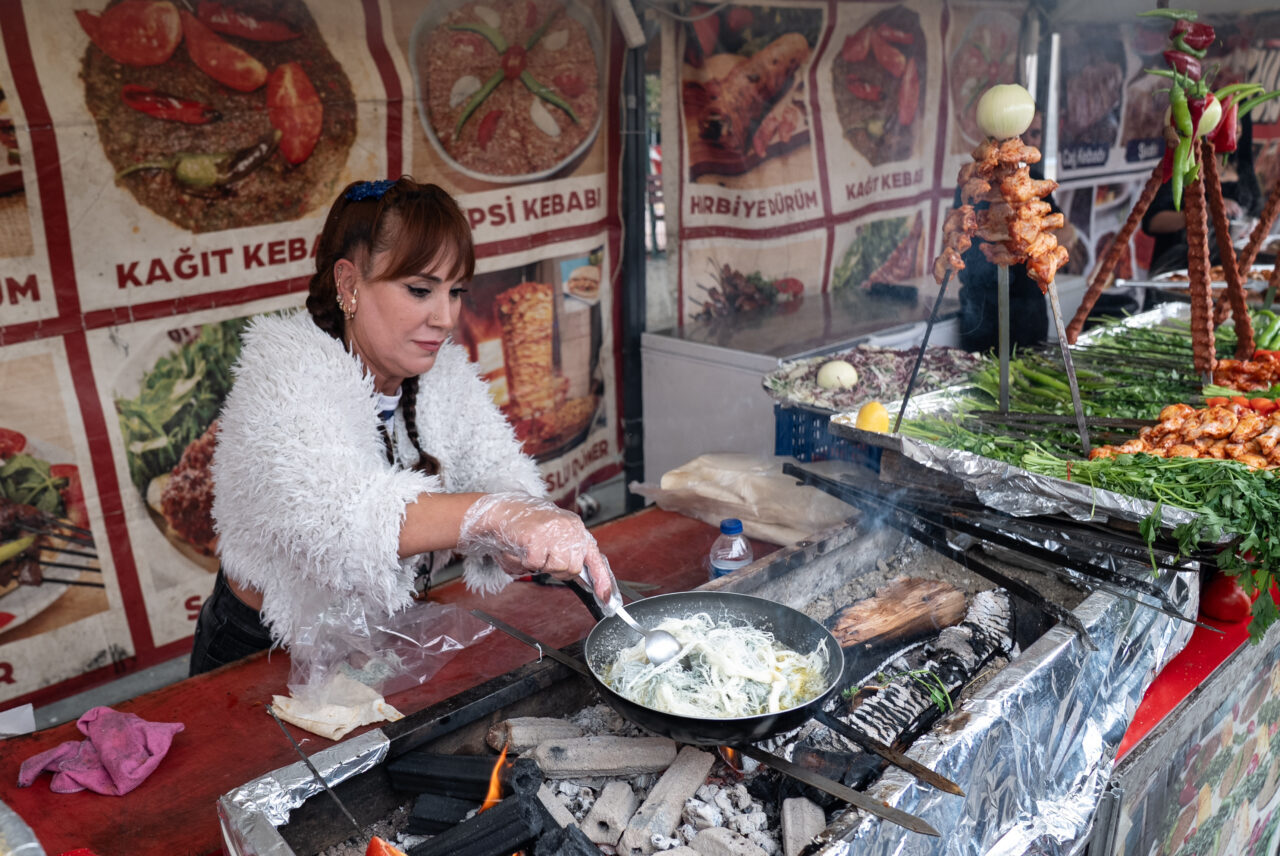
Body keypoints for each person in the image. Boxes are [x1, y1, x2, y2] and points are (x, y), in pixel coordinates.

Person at [189, 177, 614, 676]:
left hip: (369, 635)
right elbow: (342, 519)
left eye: (456, 292)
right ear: (349, 284)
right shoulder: (285, 373)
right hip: (260, 650)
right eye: (420, 290)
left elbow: (495, 465)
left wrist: (525, 524)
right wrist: (499, 516)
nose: (445, 317)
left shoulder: (443, 372)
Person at [956, 111, 1063, 352]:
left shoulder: (1034, 182)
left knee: (1029, 369)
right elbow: (964, 232)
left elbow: (1058, 227)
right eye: (1024, 135)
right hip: (981, 309)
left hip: (1027, 311)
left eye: (1036, 133)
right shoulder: (975, 184)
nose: (1030, 140)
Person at [1142, 115, 1262, 278]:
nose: (1237, 128)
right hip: (1179, 272)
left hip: (1231, 272)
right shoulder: (1182, 168)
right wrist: (1203, 212)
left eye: (1238, 122)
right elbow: (1152, 222)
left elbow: (1258, 213)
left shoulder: (1243, 169)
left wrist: (1250, 226)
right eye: (1228, 121)